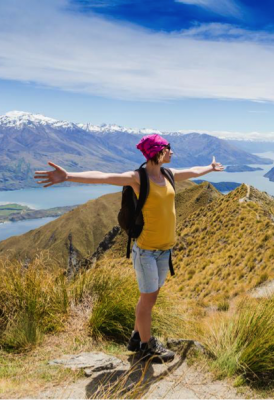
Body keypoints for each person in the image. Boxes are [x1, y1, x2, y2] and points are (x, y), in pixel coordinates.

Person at [34, 133, 224, 362]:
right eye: (169, 147)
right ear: (158, 151)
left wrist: (210, 167)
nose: (172, 152)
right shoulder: (137, 178)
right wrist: (68, 176)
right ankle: (146, 346)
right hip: (146, 252)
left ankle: (136, 336)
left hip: (165, 251)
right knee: (149, 300)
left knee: (147, 299)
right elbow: (103, 177)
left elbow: (193, 171)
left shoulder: (169, 174)